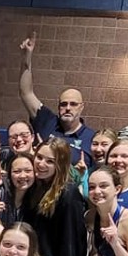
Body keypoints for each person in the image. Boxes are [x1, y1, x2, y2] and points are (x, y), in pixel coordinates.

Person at [26, 138, 88, 256]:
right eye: (39, 157)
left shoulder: (69, 193)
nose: (41, 164)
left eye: (50, 161)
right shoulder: (36, 187)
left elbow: (72, 239)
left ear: (60, 165)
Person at [18, 35, 95, 164]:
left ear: (81, 107)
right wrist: (27, 57)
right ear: (59, 107)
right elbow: (26, 93)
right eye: (63, 104)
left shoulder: (91, 138)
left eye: (73, 104)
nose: (68, 108)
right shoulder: (47, 121)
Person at [0, 152, 36, 226]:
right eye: (17, 171)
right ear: (9, 174)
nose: (22, 176)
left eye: (28, 171)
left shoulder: (37, 200)